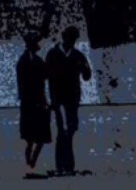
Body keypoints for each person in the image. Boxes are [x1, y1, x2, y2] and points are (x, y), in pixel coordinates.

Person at [44, 26, 91, 177]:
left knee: (69, 130)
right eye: (70, 38)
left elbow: (86, 76)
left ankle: (65, 165)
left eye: (73, 39)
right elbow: (46, 76)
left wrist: (84, 67)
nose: (71, 42)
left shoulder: (77, 55)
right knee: (63, 131)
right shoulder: (53, 54)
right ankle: (64, 165)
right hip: (59, 100)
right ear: (64, 38)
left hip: (72, 100)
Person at [16, 32, 51, 176]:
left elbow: (46, 74)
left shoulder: (34, 60)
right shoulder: (25, 62)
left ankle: (31, 164)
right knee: (32, 138)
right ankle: (30, 165)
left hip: (35, 102)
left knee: (38, 138)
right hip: (31, 102)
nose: (38, 45)